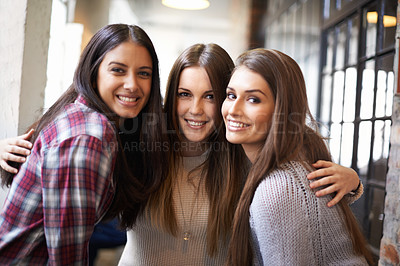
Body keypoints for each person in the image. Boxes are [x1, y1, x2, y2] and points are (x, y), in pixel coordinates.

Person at [0, 44, 362, 265]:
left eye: (211, 96)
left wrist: (353, 182)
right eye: (185, 94)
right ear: (169, 96)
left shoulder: (245, 155)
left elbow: (299, 151)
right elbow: (67, 141)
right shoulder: (139, 142)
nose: (196, 110)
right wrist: (9, 150)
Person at [0, 23, 167, 265]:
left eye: (144, 73)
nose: (132, 84)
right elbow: (67, 259)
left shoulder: (87, 117)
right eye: (118, 70)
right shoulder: (87, 139)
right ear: (94, 71)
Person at [223, 48, 373, 265]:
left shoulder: (277, 188)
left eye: (253, 99)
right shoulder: (296, 156)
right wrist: (354, 185)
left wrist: (354, 183)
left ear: (281, 110)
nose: (233, 109)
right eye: (231, 95)